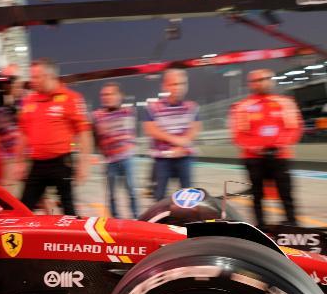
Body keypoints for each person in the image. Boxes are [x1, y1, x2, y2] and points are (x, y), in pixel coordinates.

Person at [15, 58, 92, 216]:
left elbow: (84, 132)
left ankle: (72, 239)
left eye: (36, 77)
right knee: (23, 209)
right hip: (37, 165)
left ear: (49, 76)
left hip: (61, 164)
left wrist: (84, 163)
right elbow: (23, 133)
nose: (32, 81)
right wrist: (19, 161)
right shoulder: (29, 100)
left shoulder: (71, 98)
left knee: (68, 209)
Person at [229, 68, 302, 226]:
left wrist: (278, 146)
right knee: (257, 195)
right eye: (256, 80)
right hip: (253, 158)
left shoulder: (286, 103)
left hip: (280, 156)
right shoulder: (242, 106)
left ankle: (292, 224)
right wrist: (259, 148)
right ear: (250, 84)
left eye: (265, 79)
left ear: (272, 80)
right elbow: (238, 134)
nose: (261, 83)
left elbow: (295, 128)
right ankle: (260, 226)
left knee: (286, 193)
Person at [142, 69, 200, 200]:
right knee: (159, 197)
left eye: (182, 84)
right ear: (164, 86)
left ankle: (186, 220)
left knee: (187, 198)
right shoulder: (152, 107)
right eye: (174, 84)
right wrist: (178, 142)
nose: (178, 88)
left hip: (185, 157)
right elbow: (150, 130)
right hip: (162, 159)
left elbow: (194, 130)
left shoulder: (192, 107)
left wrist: (180, 147)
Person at [91, 83, 139, 218]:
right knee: (111, 194)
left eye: (110, 94)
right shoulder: (97, 116)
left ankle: (136, 218)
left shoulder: (129, 111)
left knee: (131, 191)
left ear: (119, 96)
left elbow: (132, 133)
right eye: (104, 95)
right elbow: (95, 137)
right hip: (110, 161)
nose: (106, 97)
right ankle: (115, 220)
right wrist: (101, 152)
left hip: (127, 159)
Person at [0, 64, 26, 188]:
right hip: (7, 155)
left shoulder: (24, 99)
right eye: (6, 78)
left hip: (23, 152)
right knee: (9, 187)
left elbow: (25, 124)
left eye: (13, 79)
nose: (9, 82)